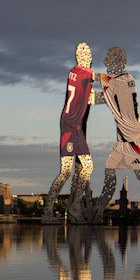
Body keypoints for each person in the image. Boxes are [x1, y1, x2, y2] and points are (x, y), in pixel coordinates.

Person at [93, 46, 140, 224]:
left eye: (109, 60)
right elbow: (106, 98)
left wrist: (81, 76)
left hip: (131, 135)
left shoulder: (116, 81)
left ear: (119, 63)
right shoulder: (126, 79)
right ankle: (97, 213)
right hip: (124, 136)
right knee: (110, 173)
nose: (106, 63)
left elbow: (96, 80)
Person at [44, 43, 98, 224]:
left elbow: (91, 98)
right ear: (83, 57)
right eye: (86, 54)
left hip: (67, 125)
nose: (88, 57)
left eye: (89, 54)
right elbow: (102, 81)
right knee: (87, 167)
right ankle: (75, 206)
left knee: (66, 171)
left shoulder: (76, 75)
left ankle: (48, 212)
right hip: (74, 128)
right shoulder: (86, 74)